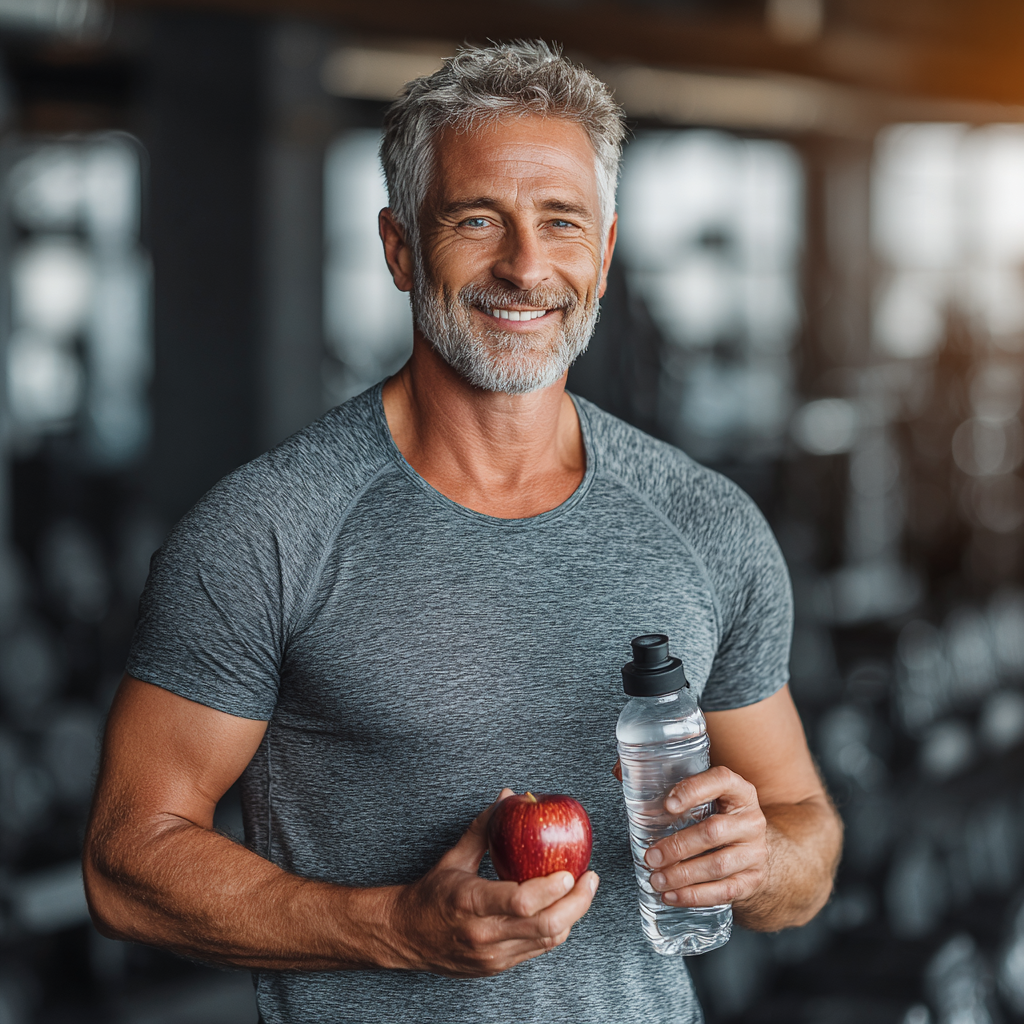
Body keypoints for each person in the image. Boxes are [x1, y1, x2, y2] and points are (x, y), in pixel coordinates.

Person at [84, 41, 842, 1024]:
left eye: (560, 223)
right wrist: (392, 925)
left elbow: (806, 851)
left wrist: (762, 856)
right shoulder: (268, 527)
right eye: (477, 219)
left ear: (603, 255)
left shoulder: (705, 522)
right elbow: (124, 860)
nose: (525, 267)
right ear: (400, 246)